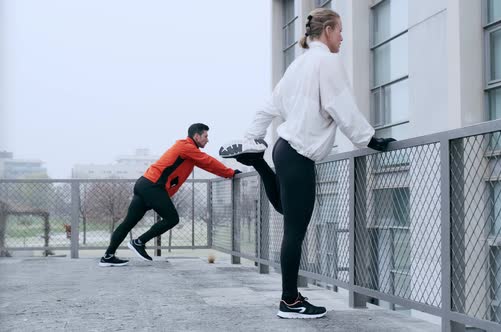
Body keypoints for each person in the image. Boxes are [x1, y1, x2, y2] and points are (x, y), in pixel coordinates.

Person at [219, 8, 395, 319]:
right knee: (295, 229)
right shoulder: (327, 61)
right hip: (298, 153)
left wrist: (251, 137)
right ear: (327, 31)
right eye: (339, 30)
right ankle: (290, 301)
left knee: (289, 212)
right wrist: (368, 139)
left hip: (283, 148)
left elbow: (268, 106)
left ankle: (258, 161)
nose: (342, 37)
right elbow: (340, 104)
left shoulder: (298, 65)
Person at [99, 123, 240, 267]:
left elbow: (206, 165)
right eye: (205, 136)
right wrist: (231, 173)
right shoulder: (186, 147)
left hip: (145, 184)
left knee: (128, 222)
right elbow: (208, 161)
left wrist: (226, 173)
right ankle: (138, 242)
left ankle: (107, 257)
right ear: (196, 136)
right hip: (153, 186)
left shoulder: (189, 151)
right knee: (172, 218)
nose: (207, 140)